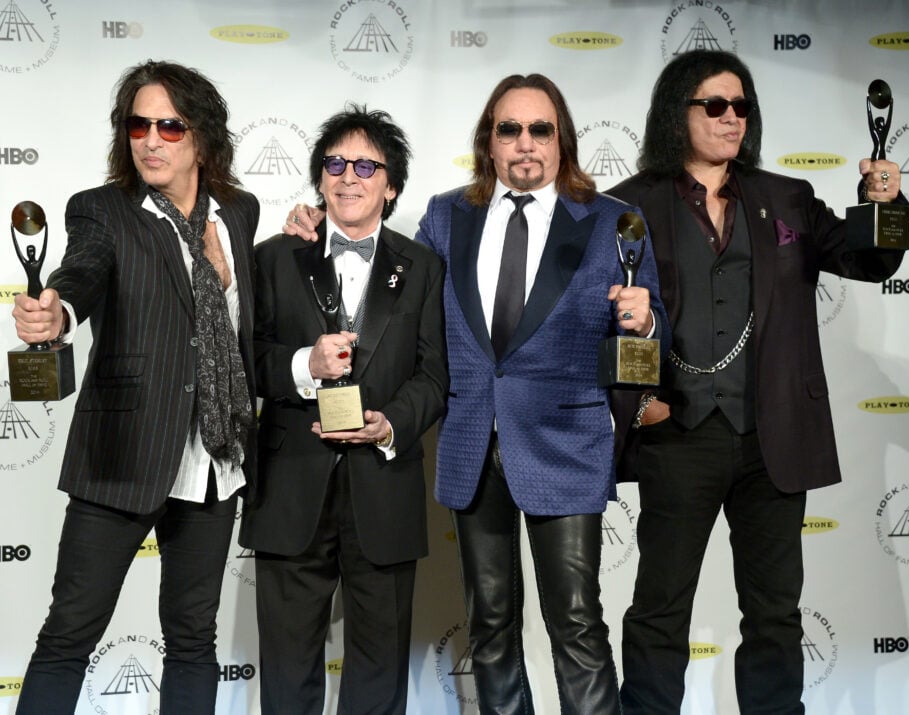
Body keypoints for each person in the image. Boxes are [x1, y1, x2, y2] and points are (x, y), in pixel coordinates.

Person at [287, 73, 670, 714]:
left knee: (575, 623)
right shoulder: (447, 214)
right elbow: (401, 300)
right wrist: (319, 223)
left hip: (566, 445)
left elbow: (646, 329)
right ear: (488, 143)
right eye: (509, 129)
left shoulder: (610, 223)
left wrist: (645, 320)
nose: (524, 143)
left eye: (539, 129)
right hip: (470, 442)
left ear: (562, 141)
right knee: (489, 624)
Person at [606, 50, 909, 715]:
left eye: (741, 105)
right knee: (660, 612)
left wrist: (883, 204)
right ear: (677, 112)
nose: (731, 117)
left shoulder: (787, 198)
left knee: (774, 615)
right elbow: (593, 319)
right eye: (714, 105)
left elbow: (871, 257)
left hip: (771, 438)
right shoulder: (626, 206)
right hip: (677, 436)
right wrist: (638, 403)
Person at [11, 60, 259, 714]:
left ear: (201, 139)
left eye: (169, 126)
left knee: (193, 639)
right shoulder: (103, 212)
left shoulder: (239, 212)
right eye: (137, 124)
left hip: (215, 457)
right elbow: (81, 273)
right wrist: (56, 312)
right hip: (123, 453)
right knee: (70, 633)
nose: (150, 139)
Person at [239, 104, 448, 715]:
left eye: (365, 165)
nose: (347, 176)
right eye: (334, 163)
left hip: (384, 486)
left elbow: (435, 375)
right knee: (285, 667)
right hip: (291, 484)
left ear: (392, 185)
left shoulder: (424, 268)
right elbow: (243, 358)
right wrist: (305, 364)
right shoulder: (277, 255)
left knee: (380, 672)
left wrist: (392, 424)